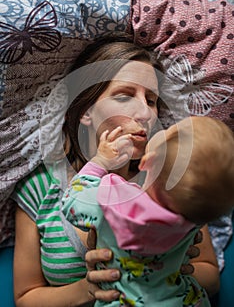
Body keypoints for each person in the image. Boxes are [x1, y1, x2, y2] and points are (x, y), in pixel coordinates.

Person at [12, 35, 219, 307]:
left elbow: (211, 275)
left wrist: (165, 270)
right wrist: (89, 289)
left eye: (152, 100)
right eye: (124, 96)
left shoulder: (172, 179)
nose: (145, 113)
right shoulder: (40, 188)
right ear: (86, 110)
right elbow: (25, 298)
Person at [62, 116, 234, 306]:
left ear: (148, 162)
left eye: (170, 130)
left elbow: (73, 200)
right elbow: (209, 190)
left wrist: (100, 162)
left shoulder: (110, 200)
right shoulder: (192, 215)